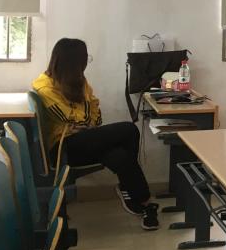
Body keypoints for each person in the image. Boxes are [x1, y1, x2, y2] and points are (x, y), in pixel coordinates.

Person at [33, 38, 159, 230]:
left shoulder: (79, 82)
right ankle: (129, 189)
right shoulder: (45, 86)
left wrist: (85, 123)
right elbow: (71, 117)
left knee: (120, 156)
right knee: (129, 129)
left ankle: (143, 201)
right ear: (74, 62)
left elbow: (94, 111)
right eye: (85, 59)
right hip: (62, 149)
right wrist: (83, 122)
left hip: (84, 140)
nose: (86, 63)